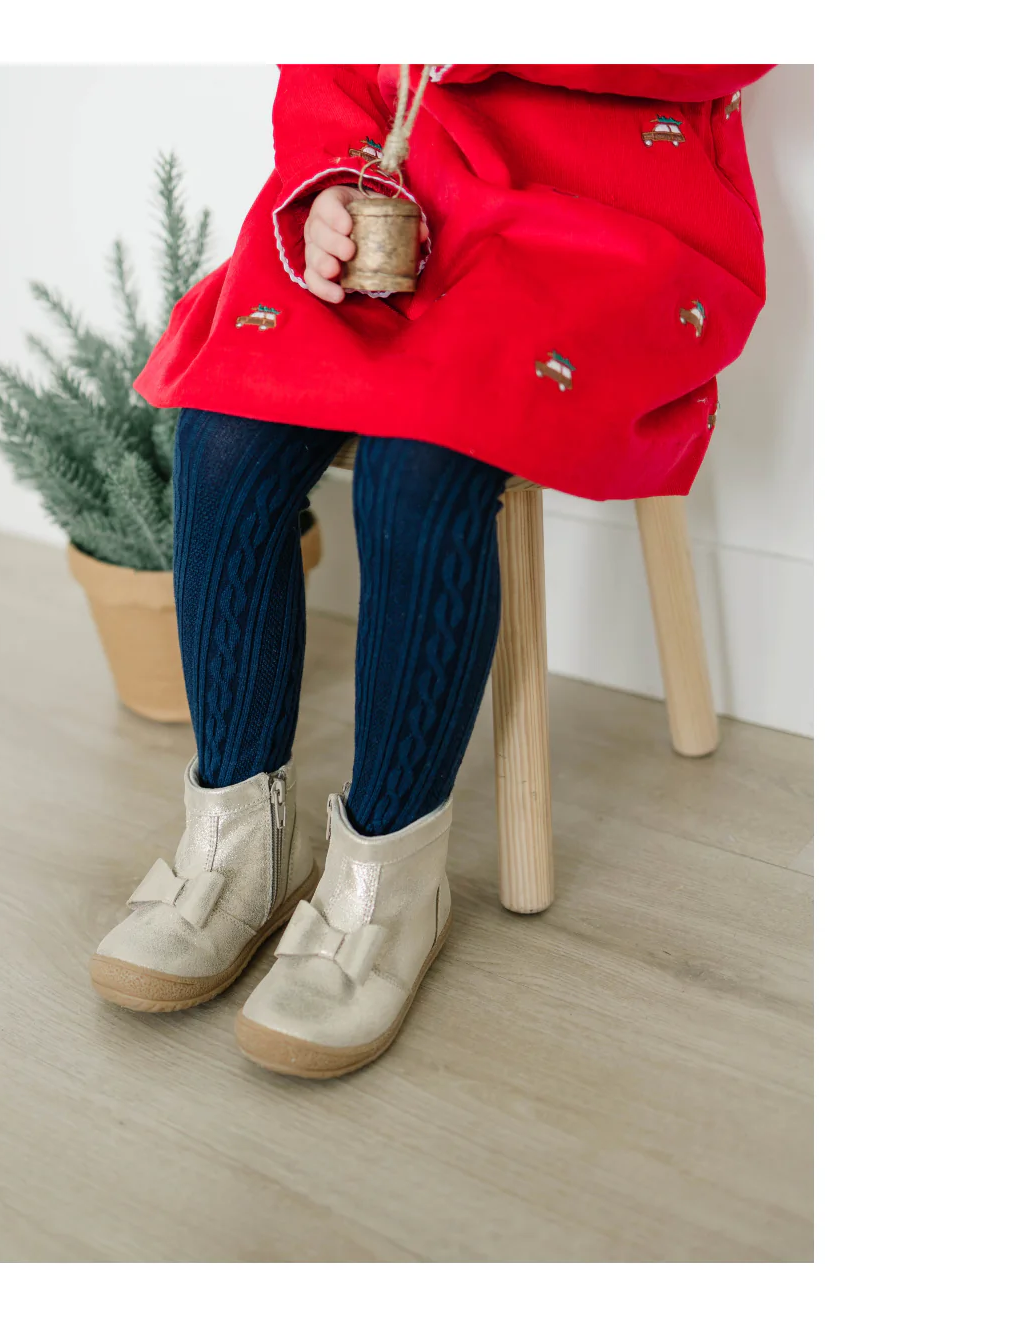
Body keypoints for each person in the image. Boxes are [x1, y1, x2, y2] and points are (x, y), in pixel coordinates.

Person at [88, 63, 772, 1078]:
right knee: (226, 431)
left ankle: (391, 878)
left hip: (600, 218)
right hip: (411, 187)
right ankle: (236, 839)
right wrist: (329, 184)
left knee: (420, 465)